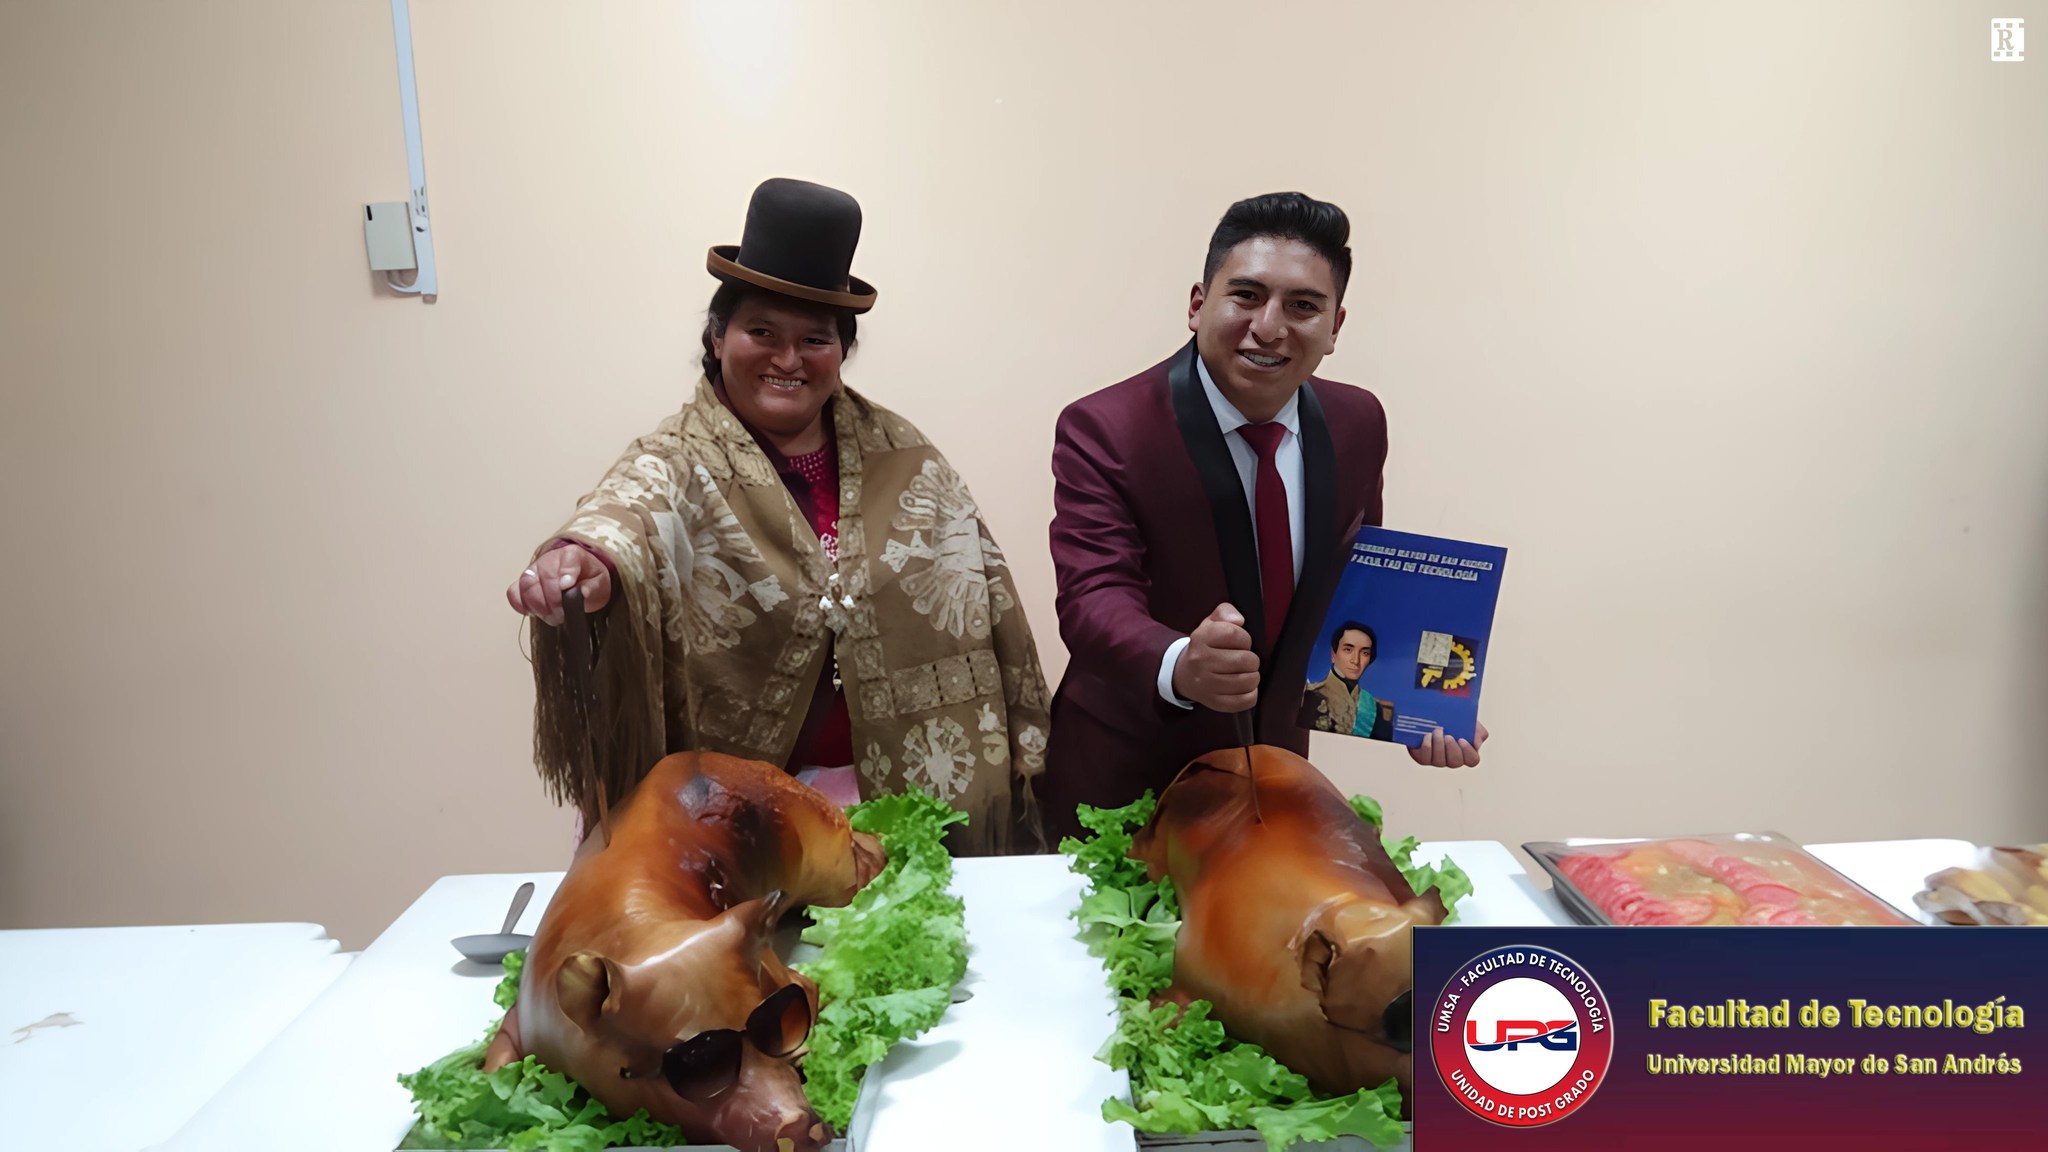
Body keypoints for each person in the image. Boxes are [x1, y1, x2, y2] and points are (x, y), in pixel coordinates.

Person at [507, 178, 1050, 855]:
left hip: (897, 807)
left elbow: (985, 600)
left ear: (842, 353)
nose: (788, 360)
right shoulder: (678, 457)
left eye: (815, 339)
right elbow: (630, 511)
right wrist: (585, 560)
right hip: (733, 819)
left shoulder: (907, 455)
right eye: (761, 331)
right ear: (717, 337)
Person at [1041, 191, 1485, 839]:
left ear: (1335, 327)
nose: (1270, 326)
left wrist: (1420, 706)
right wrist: (1180, 662)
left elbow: (1365, 590)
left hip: (1273, 779)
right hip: (1124, 782)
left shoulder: (1358, 421)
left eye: (1303, 306)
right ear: (1198, 304)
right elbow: (1092, 596)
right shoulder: (1107, 427)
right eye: (1246, 296)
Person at [1299, 621, 1392, 740]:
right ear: (1333, 654)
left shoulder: (1374, 709)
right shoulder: (1307, 696)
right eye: (1348, 649)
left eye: (1364, 653)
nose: (1355, 660)